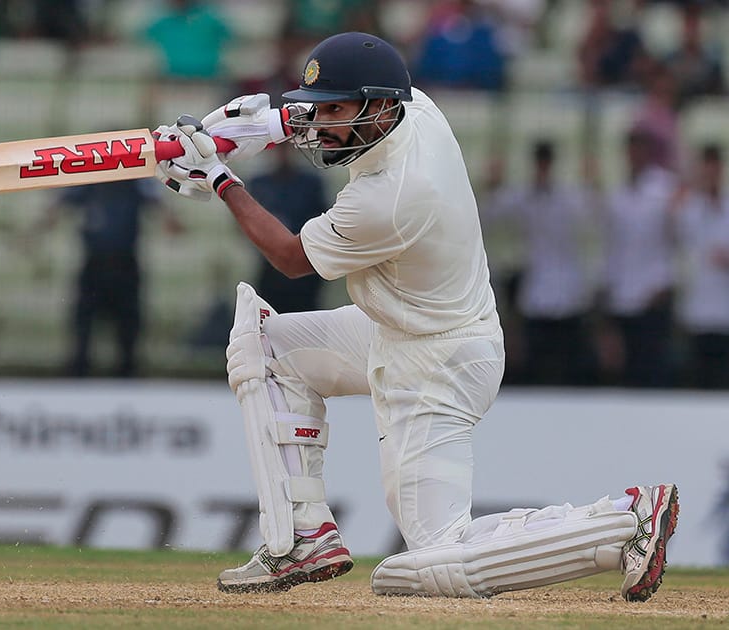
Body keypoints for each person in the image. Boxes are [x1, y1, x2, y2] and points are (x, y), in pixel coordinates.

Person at [152, 32, 677, 600]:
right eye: (319, 108)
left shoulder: (392, 196)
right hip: (397, 329)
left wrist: (220, 178)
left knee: (427, 566)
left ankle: (624, 520)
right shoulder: (415, 106)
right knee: (267, 347)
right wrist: (233, 128)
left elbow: (291, 258)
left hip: (437, 364)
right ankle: (303, 538)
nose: (321, 125)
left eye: (336, 111)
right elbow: (309, 110)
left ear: (379, 107)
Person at [21, 179, 180, 378]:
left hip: (124, 265)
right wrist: (36, 231)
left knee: (128, 333)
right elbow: (59, 205)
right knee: (83, 332)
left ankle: (126, 382)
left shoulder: (134, 180)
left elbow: (160, 206)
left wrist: (170, 219)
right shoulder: (91, 179)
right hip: (95, 264)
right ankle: (79, 379)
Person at [482, 139, 599, 385]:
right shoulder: (524, 197)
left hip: (569, 296)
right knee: (537, 368)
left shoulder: (568, 198)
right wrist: (492, 183)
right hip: (536, 296)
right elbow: (488, 216)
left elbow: (595, 216)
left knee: (569, 369)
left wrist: (593, 183)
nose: (543, 168)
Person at [601, 129, 679, 388]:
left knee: (653, 370)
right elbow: (615, 247)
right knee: (627, 373)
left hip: (653, 293)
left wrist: (667, 280)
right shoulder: (618, 194)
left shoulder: (665, 189)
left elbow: (676, 237)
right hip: (624, 296)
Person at [669, 143, 729, 389]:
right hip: (697, 313)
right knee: (697, 385)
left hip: (725, 314)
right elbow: (671, 235)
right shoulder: (688, 209)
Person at [248, 147, 328, 314]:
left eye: (285, 149)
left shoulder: (311, 184)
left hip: (305, 264)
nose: (282, 154)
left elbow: (321, 219)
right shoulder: (259, 184)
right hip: (271, 267)